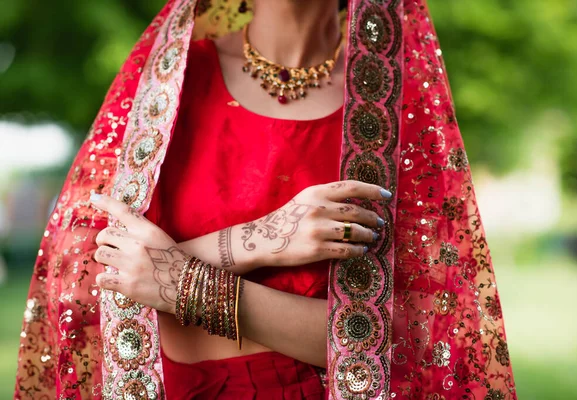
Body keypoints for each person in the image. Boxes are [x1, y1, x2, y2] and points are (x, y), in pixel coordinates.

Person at [14, 0, 518, 399]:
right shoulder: (167, 83)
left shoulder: (389, 108)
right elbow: (87, 275)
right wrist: (263, 240)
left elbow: (415, 335)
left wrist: (181, 284)